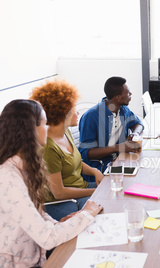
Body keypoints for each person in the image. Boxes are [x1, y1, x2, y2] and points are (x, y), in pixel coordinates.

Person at [0, 99, 103, 267]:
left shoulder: (24, 166)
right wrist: (87, 214)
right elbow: (47, 238)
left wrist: (57, 223)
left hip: (34, 257)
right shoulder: (8, 178)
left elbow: (35, 212)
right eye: (45, 123)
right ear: (30, 130)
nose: (48, 128)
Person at [30, 80, 104, 220]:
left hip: (81, 188)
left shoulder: (65, 132)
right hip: (64, 201)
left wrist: (95, 171)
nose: (77, 113)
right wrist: (96, 190)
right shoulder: (49, 148)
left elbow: (74, 162)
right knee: (107, 203)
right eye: (73, 110)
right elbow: (59, 193)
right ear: (61, 114)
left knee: (114, 189)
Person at [79, 77, 144, 177]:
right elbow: (86, 153)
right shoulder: (91, 117)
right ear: (118, 98)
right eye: (128, 93)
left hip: (121, 161)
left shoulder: (123, 109)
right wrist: (118, 148)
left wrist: (135, 133)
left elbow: (138, 123)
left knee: (143, 172)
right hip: (101, 169)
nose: (130, 95)